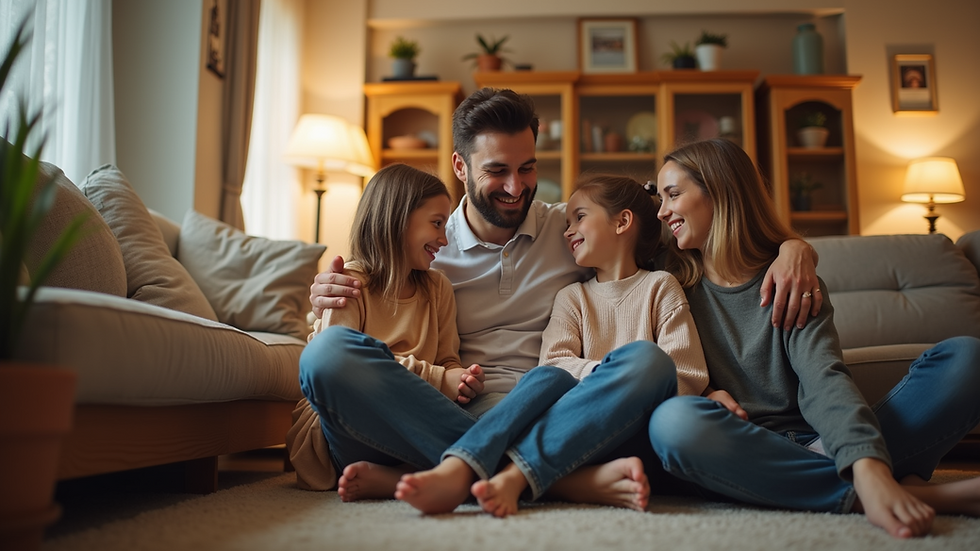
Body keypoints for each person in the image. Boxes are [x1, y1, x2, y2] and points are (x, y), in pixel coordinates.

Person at [302, 88, 819, 503]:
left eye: (526, 168)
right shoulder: (429, 248)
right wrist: (324, 302)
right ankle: (557, 481)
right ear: (460, 167)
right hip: (455, 413)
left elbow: (662, 248)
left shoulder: (567, 230)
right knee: (325, 356)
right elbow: (367, 303)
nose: (515, 186)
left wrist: (792, 247)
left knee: (643, 362)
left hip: (563, 410)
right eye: (496, 171)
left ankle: (454, 470)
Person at [648, 138, 980, 539]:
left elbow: (823, 377)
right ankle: (903, 494)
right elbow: (604, 219)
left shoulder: (791, 280)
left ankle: (858, 478)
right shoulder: (665, 283)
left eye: (673, 194)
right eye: (660, 197)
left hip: (821, 441)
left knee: (967, 358)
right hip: (741, 450)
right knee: (674, 424)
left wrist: (865, 463)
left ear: (720, 191)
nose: (663, 210)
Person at [394, 175, 715, 517]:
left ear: (622, 221)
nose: (567, 231)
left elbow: (688, 374)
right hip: (573, 432)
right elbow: (555, 363)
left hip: (637, 431)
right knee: (543, 378)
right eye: (566, 221)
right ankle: (477, 469)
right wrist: (605, 374)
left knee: (648, 360)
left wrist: (621, 381)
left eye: (579, 217)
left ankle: (511, 475)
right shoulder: (572, 297)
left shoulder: (660, 287)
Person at [288, 163, 485, 495]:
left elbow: (448, 361)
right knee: (329, 349)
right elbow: (340, 372)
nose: (444, 238)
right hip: (348, 430)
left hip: (411, 427)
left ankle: (403, 475)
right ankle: (499, 460)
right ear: (397, 219)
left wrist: (462, 380)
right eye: (437, 223)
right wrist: (439, 380)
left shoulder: (438, 288)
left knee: (540, 386)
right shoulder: (349, 284)